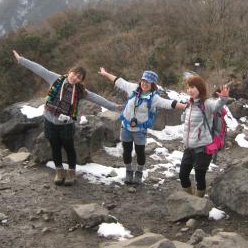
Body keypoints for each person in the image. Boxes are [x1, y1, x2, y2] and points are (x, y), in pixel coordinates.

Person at [13, 50, 119, 186]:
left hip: (66, 124)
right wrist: (21, 60)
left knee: (69, 148)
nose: (75, 78)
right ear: (70, 72)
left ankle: (71, 172)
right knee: (55, 147)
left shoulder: (81, 91)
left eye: (79, 77)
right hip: (49, 121)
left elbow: (97, 99)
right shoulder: (55, 79)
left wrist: (114, 107)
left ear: (81, 80)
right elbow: (40, 69)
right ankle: (59, 171)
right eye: (74, 74)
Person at [98, 67, 187, 185]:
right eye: (143, 81)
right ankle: (129, 171)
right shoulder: (133, 88)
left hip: (140, 130)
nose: (145, 84)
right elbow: (119, 81)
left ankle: (139, 173)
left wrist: (186, 106)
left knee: (140, 152)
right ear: (141, 81)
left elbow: (169, 103)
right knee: (127, 151)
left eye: (148, 82)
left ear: (152, 84)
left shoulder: (154, 98)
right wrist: (105, 73)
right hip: (126, 127)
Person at [179, 75, 229, 197]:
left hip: (203, 148)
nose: (190, 90)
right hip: (189, 147)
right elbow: (184, 120)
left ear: (200, 88)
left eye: (193, 87)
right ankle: (190, 199)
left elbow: (217, 106)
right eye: (188, 87)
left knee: (199, 176)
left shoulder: (206, 103)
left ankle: (198, 201)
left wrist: (223, 98)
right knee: (183, 175)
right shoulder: (189, 104)